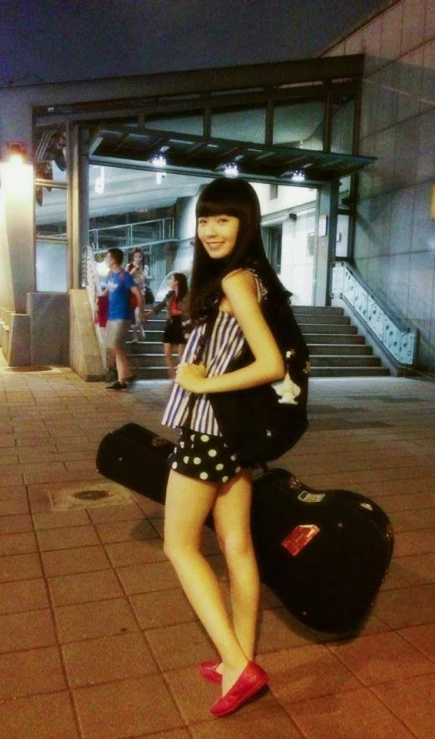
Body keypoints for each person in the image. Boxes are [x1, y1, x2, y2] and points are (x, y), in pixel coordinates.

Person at [161, 178, 288, 718]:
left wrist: (202, 383)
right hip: (232, 436)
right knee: (236, 544)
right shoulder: (254, 277)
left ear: (245, 225)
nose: (211, 230)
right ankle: (240, 656)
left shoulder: (236, 281)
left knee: (180, 546)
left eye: (224, 220)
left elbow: (271, 364)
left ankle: (238, 665)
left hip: (210, 431)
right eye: (205, 219)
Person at [101, 248, 143, 390]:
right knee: (114, 347)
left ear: (113, 259)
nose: (106, 259)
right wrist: (98, 300)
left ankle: (123, 379)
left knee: (116, 345)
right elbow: (107, 292)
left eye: (107, 257)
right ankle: (126, 375)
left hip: (123, 316)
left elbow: (139, 294)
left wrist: (141, 313)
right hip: (111, 316)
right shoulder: (110, 275)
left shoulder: (125, 276)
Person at [145, 272, 189, 379]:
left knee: (182, 354)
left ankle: (183, 375)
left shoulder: (187, 294)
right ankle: (173, 373)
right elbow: (160, 306)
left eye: (172, 279)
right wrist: (147, 315)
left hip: (182, 323)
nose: (170, 281)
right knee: (167, 352)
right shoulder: (170, 294)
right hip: (171, 323)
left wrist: (179, 311)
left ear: (177, 281)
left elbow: (190, 310)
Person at [126, 248, 149, 343]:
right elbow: (126, 277)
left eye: (140, 256)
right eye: (136, 256)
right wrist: (133, 270)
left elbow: (143, 279)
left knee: (138, 313)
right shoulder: (129, 266)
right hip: (131, 292)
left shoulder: (145, 267)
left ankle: (141, 328)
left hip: (141, 292)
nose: (138, 258)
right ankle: (135, 337)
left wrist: (139, 271)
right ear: (133, 257)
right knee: (133, 316)